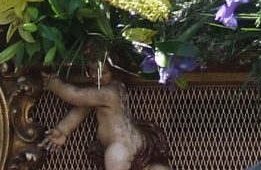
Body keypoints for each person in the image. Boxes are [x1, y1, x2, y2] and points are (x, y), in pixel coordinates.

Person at [42, 66, 171, 170]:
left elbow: (76, 96)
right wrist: (64, 129)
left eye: (102, 72)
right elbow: (83, 109)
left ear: (115, 71)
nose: (95, 76)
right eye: (91, 71)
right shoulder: (109, 90)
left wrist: (54, 84)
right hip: (134, 142)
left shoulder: (109, 93)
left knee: (115, 156)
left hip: (120, 146)